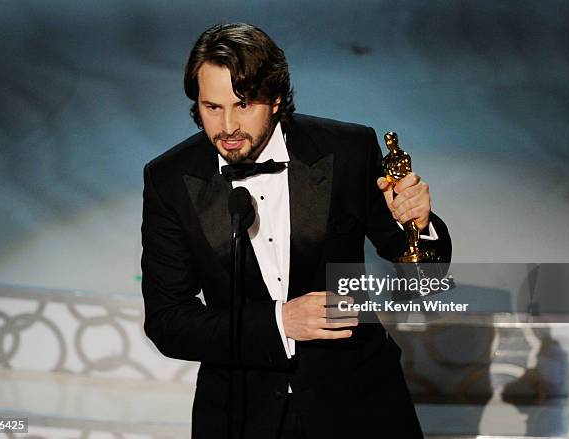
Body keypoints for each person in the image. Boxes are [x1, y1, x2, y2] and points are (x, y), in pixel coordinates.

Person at [141, 22, 451, 439]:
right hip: (240, 415)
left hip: (360, 406)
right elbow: (168, 322)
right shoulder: (170, 179)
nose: (228, 127)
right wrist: (279, 322)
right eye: (212, 107)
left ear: (276, 98)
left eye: (243, 104)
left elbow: (423, 281)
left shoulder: (346, 150)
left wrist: (419, 226)